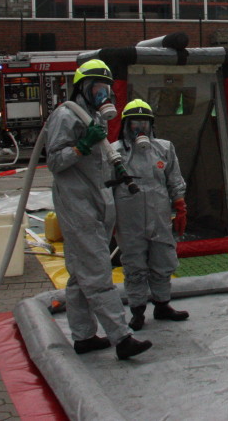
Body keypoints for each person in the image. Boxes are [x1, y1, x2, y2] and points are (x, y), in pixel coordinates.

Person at [45, 59, 151, 360]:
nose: (103, 93)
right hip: (77, 201)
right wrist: (80, 147)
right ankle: (121, 337)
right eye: (97, 87)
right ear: (82, 88)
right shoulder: (66, 115)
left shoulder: (96, 117)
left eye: (106, 87)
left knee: (81, 275)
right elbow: (54, 162)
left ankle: (84, 336)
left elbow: (101, 158)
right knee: (97, 271)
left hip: (98, 196)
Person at [113, 99, 191, 333]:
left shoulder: (164, 148)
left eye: (145, 123)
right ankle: (137, 311)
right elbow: (104, 188)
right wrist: (109, 219)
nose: (140, 128)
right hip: (129, 219)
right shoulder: (114, 153)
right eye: (135, 123)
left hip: (159, 216)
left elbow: (174, 178)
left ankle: (162, 304)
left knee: (163, 261)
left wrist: (180, 205)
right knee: (134, 264)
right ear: (126, 125)